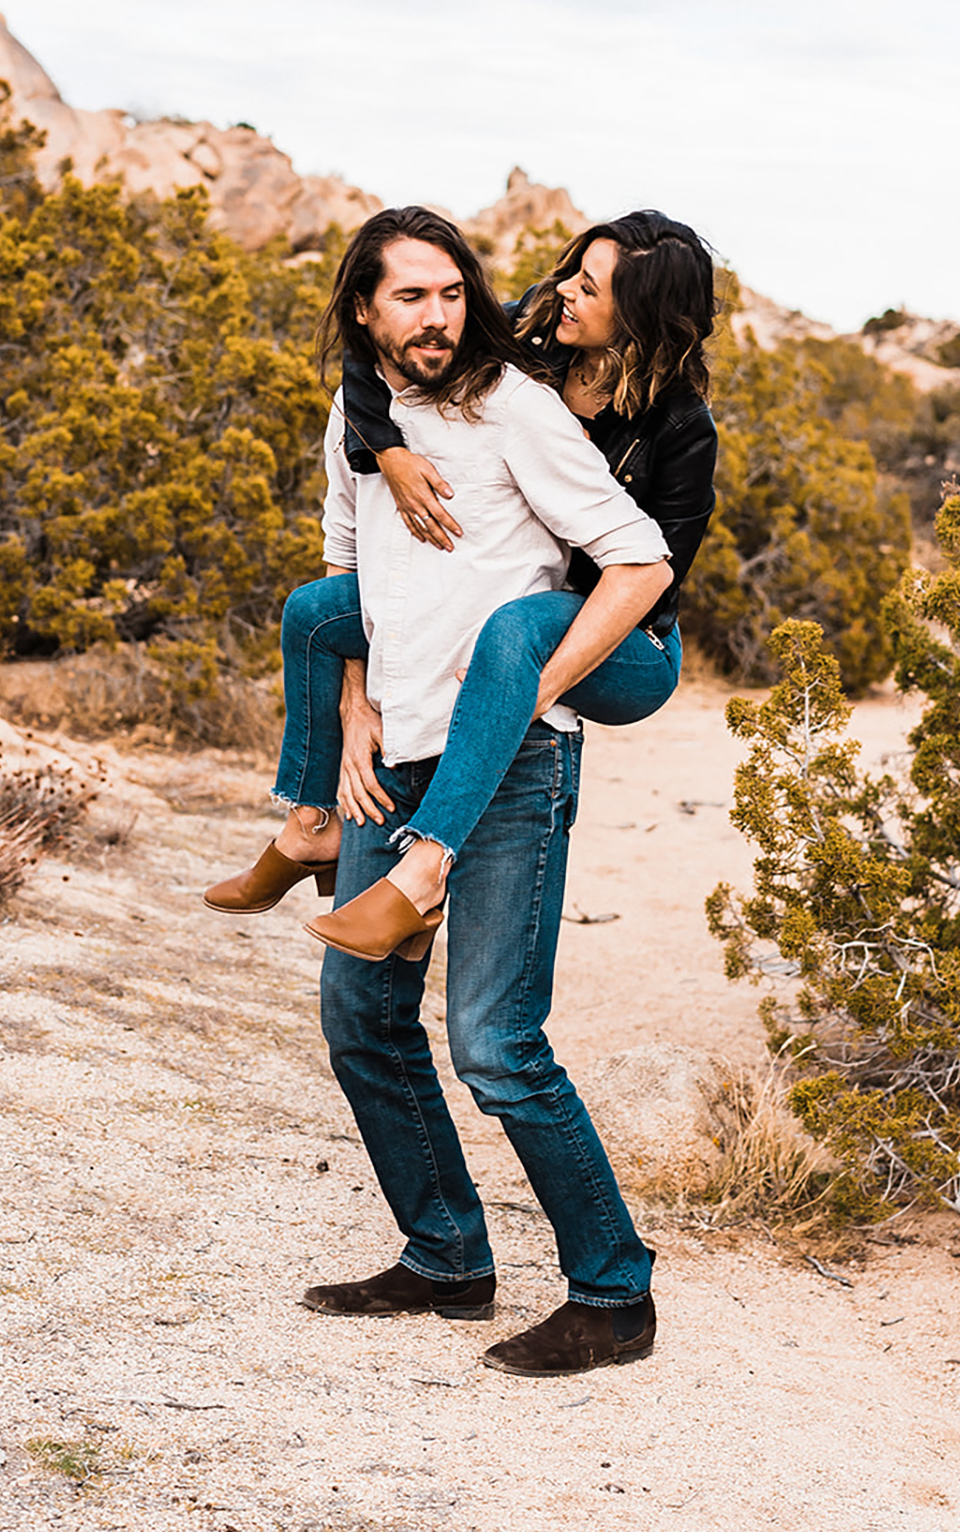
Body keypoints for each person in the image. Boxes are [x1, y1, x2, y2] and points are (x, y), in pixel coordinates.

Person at [252, 206, 672, 1374]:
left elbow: (640, 557)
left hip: (511, 763)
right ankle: (445, 1256)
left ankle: (614, 1291)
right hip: (392, 763)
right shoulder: (359, 414)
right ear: (364, 311)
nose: (434, 316)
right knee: (361, 1018)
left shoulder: (517, 408)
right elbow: (345, 573)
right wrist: (351, 711)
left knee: (495, 1041)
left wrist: (536, 680)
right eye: (407, 297)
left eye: (449, 293)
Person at [204, 210, 717, 954]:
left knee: (512, 630)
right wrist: (386, 449)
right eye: (574, 269)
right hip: (520, 600)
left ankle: (425, 870)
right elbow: (378, 350)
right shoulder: (530, 331)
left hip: (629, 642)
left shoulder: (680, 426)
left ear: (637, 314)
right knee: (316, 611)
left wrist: (532, 688)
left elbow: (650, 578)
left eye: (589, 286)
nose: (566, 289)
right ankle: (310, 825)